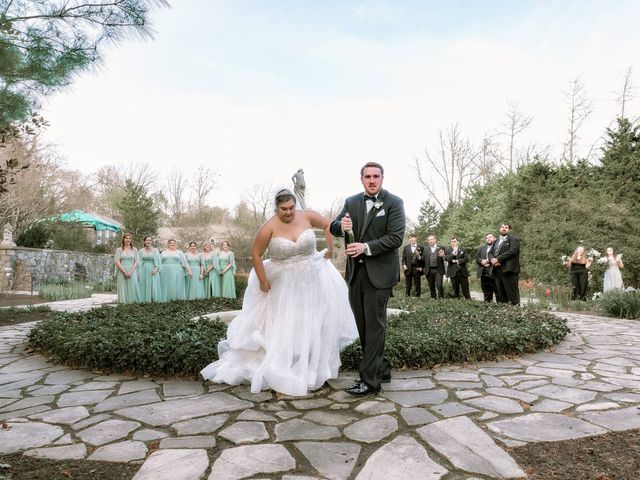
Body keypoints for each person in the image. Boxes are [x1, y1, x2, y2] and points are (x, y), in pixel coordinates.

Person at [201, 189, 358, 396]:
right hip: (283, 284)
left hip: (312, 278)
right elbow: (256, 255)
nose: (289, 212)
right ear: (276, 208)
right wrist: (263, 281)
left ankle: (311, 366)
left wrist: (330, 249)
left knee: (312, 321)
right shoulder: (269, 227)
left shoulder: (307, 215)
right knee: (286, 322)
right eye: (284, 209)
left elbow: (330, 225)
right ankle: (286, 365)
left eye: (292, 208)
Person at [330, 162, 405, 397]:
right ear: (361, 179)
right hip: (355, 274)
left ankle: (370, 381)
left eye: (376, 176)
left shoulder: (394, 202)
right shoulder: (351, 202)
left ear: (382, 178)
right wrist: (340, 226)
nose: (372, 180)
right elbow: (333, 227)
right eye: (367, 176)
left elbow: (395, 238)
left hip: (380, 274)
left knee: (374, 326)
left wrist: (366, 247)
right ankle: (381, 368)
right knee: (364, 326)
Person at [490, 223, 521, 305]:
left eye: (506, 227)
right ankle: (504, 313)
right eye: (502, 227)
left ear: (509, 229)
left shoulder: (514, 239)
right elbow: (490, 253)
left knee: (512, 293)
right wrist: (492, 260)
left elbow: (512, 251)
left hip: (509, 270)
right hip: (497, 270)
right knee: (501, 293)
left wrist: (498, 259)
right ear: (499, 229)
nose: (504, 229)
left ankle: (516, 312)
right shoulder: (496, 241)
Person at [114, 233, 140, 303]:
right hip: (122, 271)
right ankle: (123, 304)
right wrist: (125, 272)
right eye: (126, 238)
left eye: (129, 238)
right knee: (123, 287)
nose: (128, 240)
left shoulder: (135, 250)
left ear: (131, 240)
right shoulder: (119, 250)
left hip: (132, 271)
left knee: (133, 287)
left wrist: (131, 272)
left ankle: (133, 304)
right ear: (123, 239)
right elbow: (117, 262)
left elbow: (136, 261)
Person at [138, 236, 162, 302]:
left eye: (150, 240)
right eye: (147, 240)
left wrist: (155, 269)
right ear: (144, 241)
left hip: (153, 268)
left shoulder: (155, 250)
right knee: (143, 283)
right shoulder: (140, 251)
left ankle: (153, 300)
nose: (148, 241)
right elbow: (139, 262)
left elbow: (158, 261)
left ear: (151, 242)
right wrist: (139, 271)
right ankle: (143, 300)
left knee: (153, 284)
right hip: (143, 269)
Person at [475, 233, 496, 302]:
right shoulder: (481, 248)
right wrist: (481, 261)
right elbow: (476, 257)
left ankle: (500, 308)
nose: (488, 239)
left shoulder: (497, 248)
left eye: (490, 237)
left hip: (494, 273)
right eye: (487, 238)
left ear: (494, 238)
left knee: (498, 291)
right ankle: (487, 307)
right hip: (483, 273)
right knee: (486, 292)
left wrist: (488, 262)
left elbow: (498, 258)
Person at [424, 235, 446, 299]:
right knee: (431, 286)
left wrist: (443, 256)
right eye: (429, 240)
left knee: (439, 285)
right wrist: (418, 257)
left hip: (438, 270)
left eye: (431, 239)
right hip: (429, 270)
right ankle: (433, 299)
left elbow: (446, 257)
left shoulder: (441, 247)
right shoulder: (425, 249)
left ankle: (441, 299)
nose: (430, 241)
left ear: (435, 240)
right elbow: (422, 259)